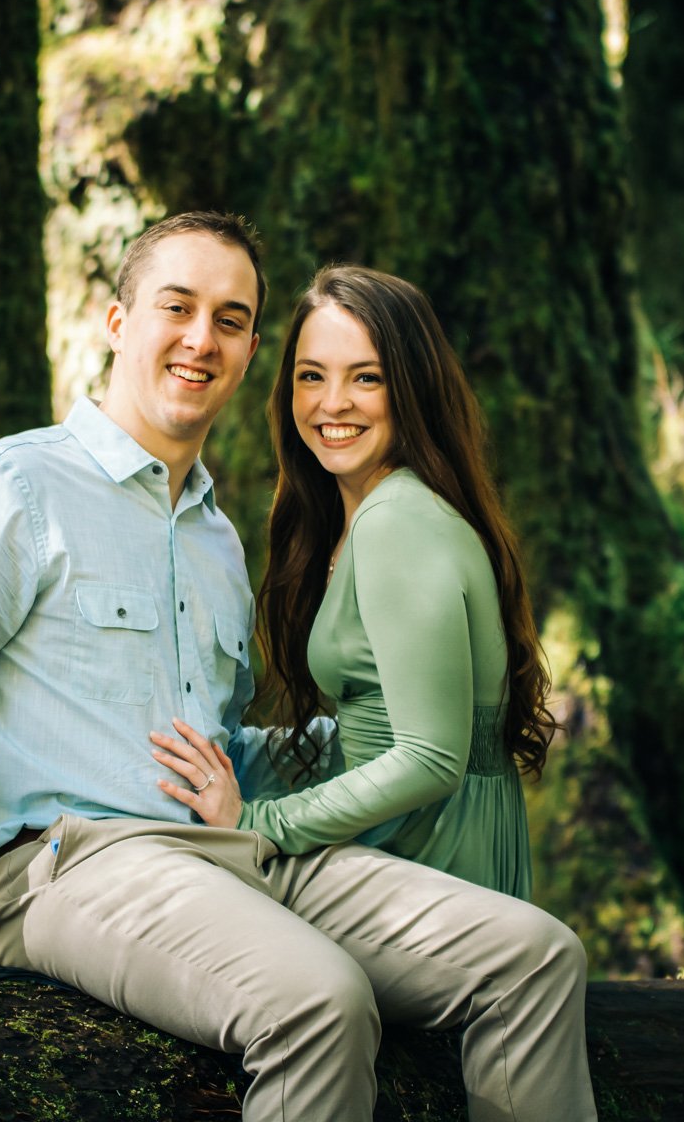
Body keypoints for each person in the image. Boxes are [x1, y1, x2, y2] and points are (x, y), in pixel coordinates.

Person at [0, 213, 596, 1122]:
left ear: (253, 349)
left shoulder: (219, 541)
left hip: (227, 853)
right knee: (317, 1001)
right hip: (70, 868)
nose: (200, 338)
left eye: (229, 320)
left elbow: (212, 749)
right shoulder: (13, 491)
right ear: (115, 321)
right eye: (176, 307)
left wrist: (393, 728)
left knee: (533, 956)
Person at [151, 264, 552, 903]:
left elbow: (428, 758)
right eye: (311, 377)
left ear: (411, 389)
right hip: (411, 845)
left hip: (432, 863)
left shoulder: (397, 521)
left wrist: (258, 823)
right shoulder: (373, 515)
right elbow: (383, 721)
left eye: (366, 377)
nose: (331, 403)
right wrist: (242, 758)